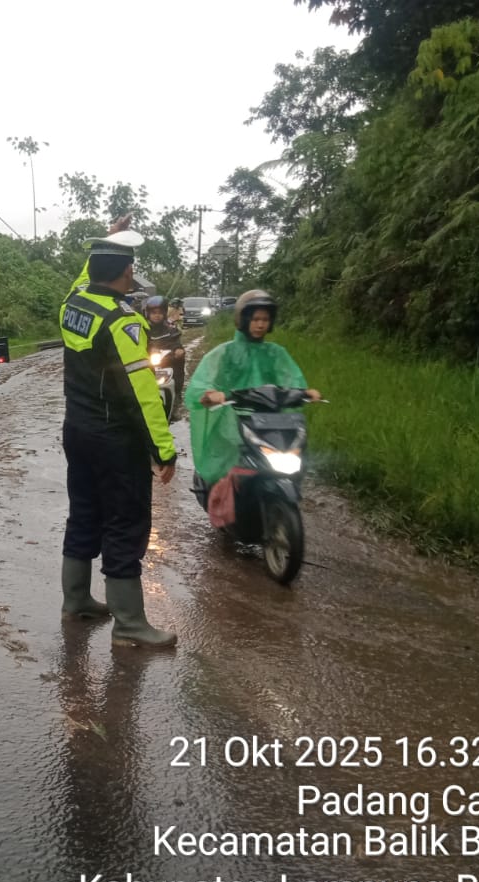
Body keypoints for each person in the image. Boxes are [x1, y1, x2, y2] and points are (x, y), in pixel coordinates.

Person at [59, 231, 179, 648]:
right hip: (114, 440)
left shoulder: (73, 304)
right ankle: (129, 624)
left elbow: (82, 278)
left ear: (92, 269)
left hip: (77, 431)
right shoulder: (122, 321)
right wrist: (164, 449)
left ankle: (75, 601)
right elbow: (143, 393)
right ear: (127, 272)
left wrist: (106, 239)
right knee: (125, 523)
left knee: (84, 513)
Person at [184, 289, 320, 494]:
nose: (260, 324)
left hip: (270, 421)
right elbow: (203, 381)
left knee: (296, 454)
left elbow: (290, 378)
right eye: (255, 319)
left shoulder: (276, 353)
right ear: (244, 319)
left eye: (265, 319)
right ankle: (222, 496)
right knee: (229, 464)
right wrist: (211, 393)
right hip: (234, 420)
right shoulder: (225, 353)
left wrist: (303, 392)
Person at [143, 294, 185, 397]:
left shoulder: (171, 331)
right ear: (148, 314)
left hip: (168, 363)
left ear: (164, 314)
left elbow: (176, 343)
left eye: (160, 313)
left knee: (180, 359)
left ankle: (177, 391)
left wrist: (178, 350)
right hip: (147, 364)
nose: (157, 315)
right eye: (153, 313)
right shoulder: (143, 330)